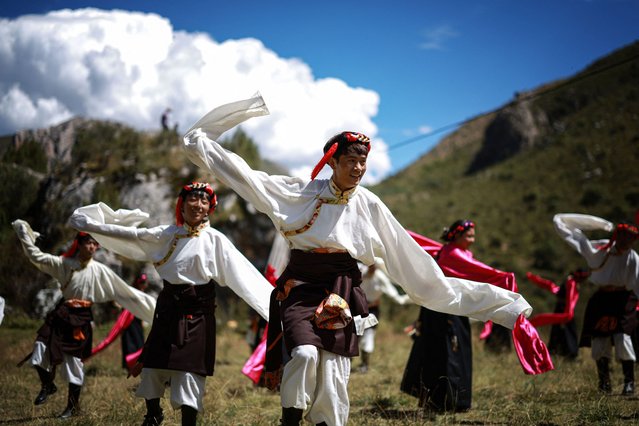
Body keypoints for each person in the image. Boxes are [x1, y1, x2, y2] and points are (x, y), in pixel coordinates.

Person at [180, 93, 552, 426]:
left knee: (335, 368)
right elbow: (245, 177)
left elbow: (420, 270)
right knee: (307, 354)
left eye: (363, 162)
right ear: (332, 161)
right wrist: (201, 142)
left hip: (341, 292)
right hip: (299, 289)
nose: (358, 168)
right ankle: (290, 418)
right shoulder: (298, 193)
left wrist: (506, 307)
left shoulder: (369, 204)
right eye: (351, 160)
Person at [69, 182, 273, 426]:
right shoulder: (166, 235)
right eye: (193, 199)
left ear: (210, 208)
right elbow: (132, 236)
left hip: (198, 316)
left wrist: (277, 309)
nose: (198, 205)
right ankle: (153, 416)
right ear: (182, 204)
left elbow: (245, 276)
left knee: (189, 374)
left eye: (204, 201)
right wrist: (91, 225)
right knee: (152, 369)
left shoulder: (216, 240)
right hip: (166, 312)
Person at [12, 221, 156, 419]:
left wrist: (155, 309)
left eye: (95, 244)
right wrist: (24, 234)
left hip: (80, 321)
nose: (92, 246)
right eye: (88, 242)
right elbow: (36, 256)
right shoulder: (64, 265)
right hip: (61, 315)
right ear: (78, 244)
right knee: (39, 348)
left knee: (73, 363)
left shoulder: (99, 270)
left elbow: (123, 291)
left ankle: (72, 407)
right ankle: (47, 384)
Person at [401, 219, 519, 412]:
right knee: (447, 354)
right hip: (445, 312)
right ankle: (445, 401)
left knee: (443, 352)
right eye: (469, 235)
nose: (473, 239)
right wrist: (504, 278)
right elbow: (482, 272)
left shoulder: (452, 251)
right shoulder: (453, 254)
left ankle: (445, 400)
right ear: (457, 236)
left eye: (473, 235)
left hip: (447, 309)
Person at [553, 213, 639, 395]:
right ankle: (604, 382)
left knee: (622, 338)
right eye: (623, 236)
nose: (626, 241)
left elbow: (637, 285)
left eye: (631, 238)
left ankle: (629, 382)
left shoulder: (634, 258)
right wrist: (601, 224)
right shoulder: (600, 249)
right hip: (601, 299)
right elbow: (563, 225)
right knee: (600, 340)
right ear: (617, 235)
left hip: (624, 300)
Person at [356, 260, 411, 374]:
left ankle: (365, 364)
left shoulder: (380, 278)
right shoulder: (359, 270)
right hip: (355, 309)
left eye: (374, 266)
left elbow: (395, 295)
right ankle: (347, 362)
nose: (372, 268)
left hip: (371, 311)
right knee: (353, 336)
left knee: (368, 335)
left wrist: (410, 297)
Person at [90, 273, 151, 373]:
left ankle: (138, 365)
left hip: (137, 322)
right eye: (142, 282)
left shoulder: (142, 293)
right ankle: (129, 366)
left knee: (139, 343)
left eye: (145, 282)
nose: (144, 284)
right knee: (129, 344)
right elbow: (121, 302)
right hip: (128, 322)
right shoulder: (131, 292)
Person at [525, 269, 589, 360]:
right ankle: (561, 354)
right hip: (564, 311)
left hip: (564, 311)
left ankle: (566, 354)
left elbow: (566, 297)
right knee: (561, 332)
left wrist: (567, 314)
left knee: (565, 333)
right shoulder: (571, 282)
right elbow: (553, 288)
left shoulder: (571, 282)